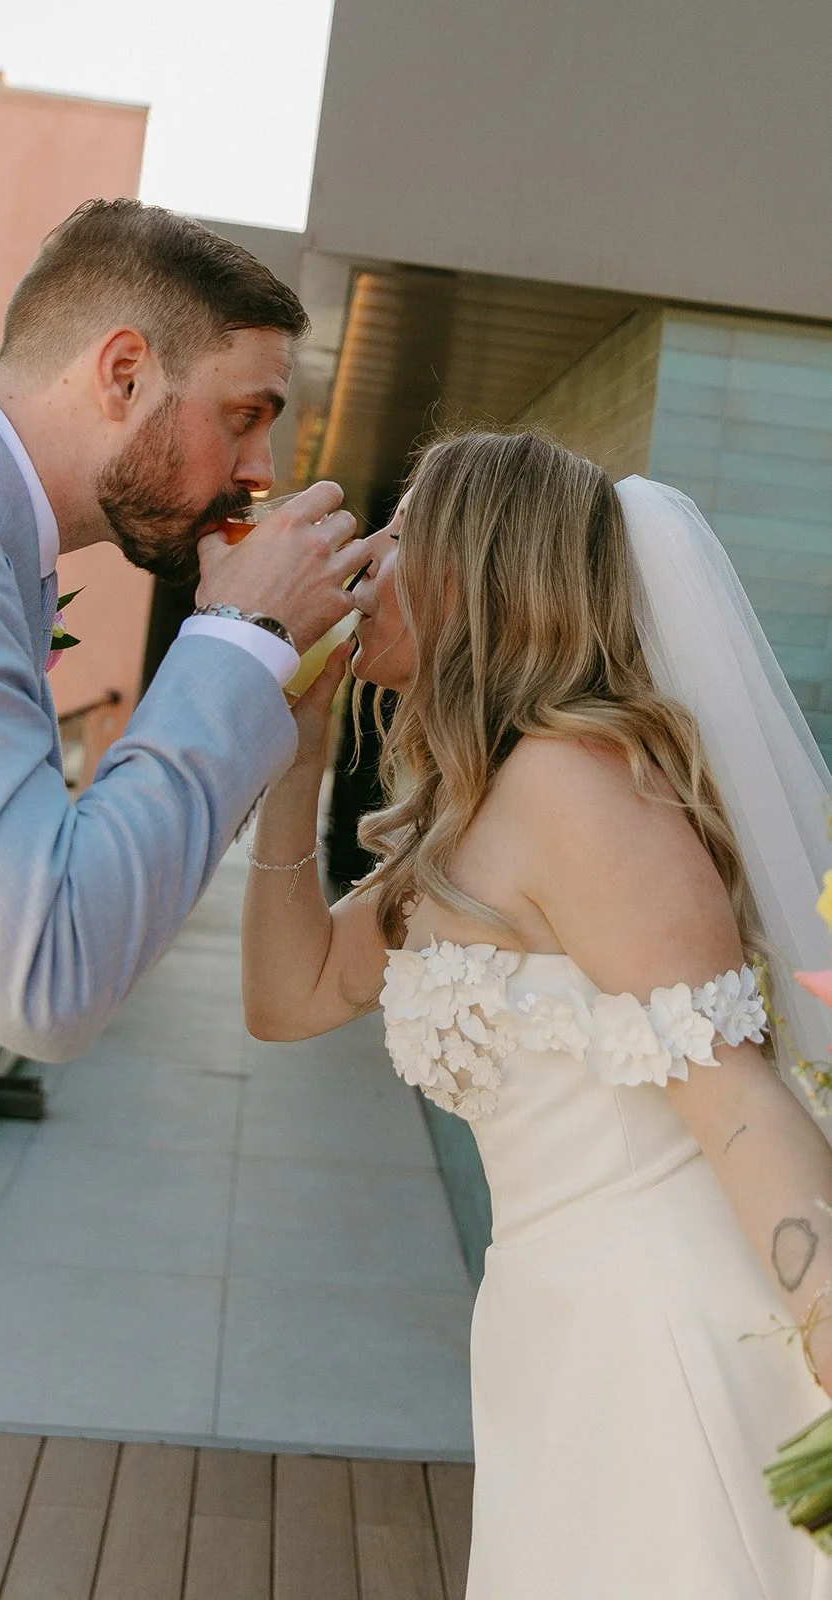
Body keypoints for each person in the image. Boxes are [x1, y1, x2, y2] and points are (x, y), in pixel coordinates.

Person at [0, 197, 368, 1599]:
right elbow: (44, 964)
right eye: (246, 412)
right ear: (118, 373)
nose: (257, 469)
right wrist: (230, 642)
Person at [241, 429, 832, 1598]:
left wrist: (824, 1309)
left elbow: (734, 1099)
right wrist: (294, 765)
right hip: (548, 1326)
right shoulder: (469, 815)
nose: (367, 557)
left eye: (403, 530)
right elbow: (287, 995)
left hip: (658, 1328)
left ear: (478, 568)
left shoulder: (578, 789)